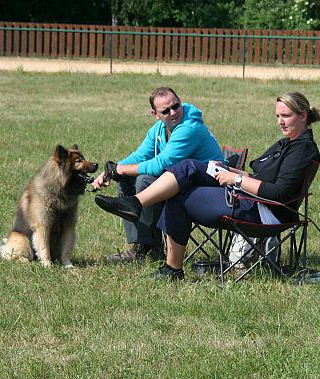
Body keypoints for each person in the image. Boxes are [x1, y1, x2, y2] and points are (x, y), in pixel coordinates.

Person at [95, 92, 320, 280]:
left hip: (266, 212)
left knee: (180, 195)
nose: (280, 121)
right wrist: (231, 171)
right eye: (278, 115)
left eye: (286, 116)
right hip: (247, 197)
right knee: (188, 167)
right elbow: (259, 176)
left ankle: (170, 265)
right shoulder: (286, 143)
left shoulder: (303, 150)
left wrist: (236, 180)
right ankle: (139, 211)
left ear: (303, 116)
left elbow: (279, 193)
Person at [93, 87, 224, 263]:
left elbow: (161, 164)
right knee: (126, 178)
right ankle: (140, 245)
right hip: (181, 180)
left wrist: (120, 169)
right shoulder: (158, 130)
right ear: (155, 114)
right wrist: (111, 171)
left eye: (176, 106)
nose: (173, 112)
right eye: (166, 111)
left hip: (209, 186)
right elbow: (140, 155)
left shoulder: (189, 128)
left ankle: (151, 249)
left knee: (145, 179)